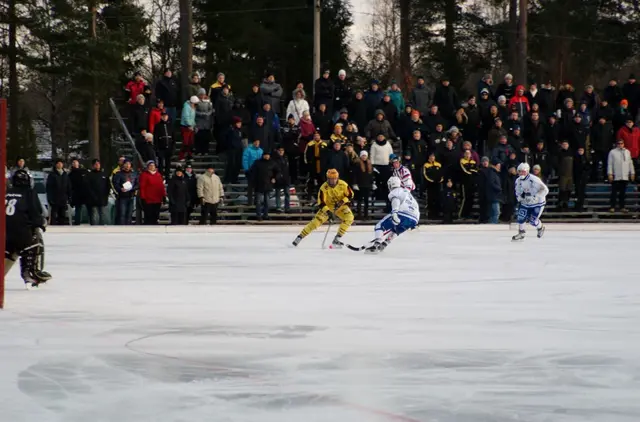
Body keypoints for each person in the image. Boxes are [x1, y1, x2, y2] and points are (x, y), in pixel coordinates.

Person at [4, 170, 51, 289]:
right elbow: (35, 213)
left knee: (10, 250)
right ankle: (31, 272)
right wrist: (40, 224)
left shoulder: (6, 192)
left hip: (4, 233)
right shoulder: (29, 193)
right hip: (21, 233)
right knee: (35, 241)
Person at [292, 169, 354, 248]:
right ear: (327, 179)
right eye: (330, 179)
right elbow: (321, 203)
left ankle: (337, 238)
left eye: (334, 179)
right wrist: (328, 212)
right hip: (327, 207)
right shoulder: (323, 188)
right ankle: (300, 236)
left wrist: (342, 201)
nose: (332, 181)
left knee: (349, 218)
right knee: (315, 222)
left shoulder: (343, 184)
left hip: (341, 206)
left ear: (337, 178)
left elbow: (350, 195)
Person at [365, 176, 420, 254]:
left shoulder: (395, 191)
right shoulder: (407, 192)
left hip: (402, 213)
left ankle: (376, 245)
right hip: (414, 218)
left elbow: (396, 200)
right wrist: (414, 223)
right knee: (396, 230)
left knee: (379, 226)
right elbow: (415, 206)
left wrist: (394, 213)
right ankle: (384, 244)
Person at [512, 163, 549, 241]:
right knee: (521, 217)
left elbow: (545, 189)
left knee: (533, 221)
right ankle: (521, 233)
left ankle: (540, 228)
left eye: (523, 171)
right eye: (519, 171)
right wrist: (519, 198)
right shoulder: (518, 180)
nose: (521, 173)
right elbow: (517, 191)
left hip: (538, 203)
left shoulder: (534, 179)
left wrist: (536, 197)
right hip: (526, 201)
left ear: (527, 171)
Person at [608, 139, 635, 212]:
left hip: (625, 175)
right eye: (619, 143)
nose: (620, 145)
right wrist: (610, 173)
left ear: (623, 144)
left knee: (623, 193)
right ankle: (612, 206)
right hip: (616, 175)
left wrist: (632, 172)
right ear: (617, 144)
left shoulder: (627, 152)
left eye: (621, 143)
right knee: (614, 192)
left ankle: (622, 207)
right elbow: (610, 163)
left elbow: (630, 163)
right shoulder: (612, 152)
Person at [252, 151, 278, 221]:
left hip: (268, 185)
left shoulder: (272, 163)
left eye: (268, 155)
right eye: (265, 155)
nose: (267, 156)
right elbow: (253, 173)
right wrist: (253, 183)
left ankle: (265, 215)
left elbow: (278, 171)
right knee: (258, 202)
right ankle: (259, 215)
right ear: (263, 155)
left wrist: (274, 178)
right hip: (259, 184)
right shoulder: (257, 162)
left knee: (267, 201)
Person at [138, 161, 166, 225]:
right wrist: (143, 197)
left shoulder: (158, 175)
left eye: (153, 165)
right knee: (148, 215)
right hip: (148, 199)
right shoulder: (144, 175)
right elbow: (142, 187)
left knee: (156, 215)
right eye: (150, 165)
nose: (152, 167)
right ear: (148, 167)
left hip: (157, 199)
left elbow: (161, 186)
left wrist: (163, 196)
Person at [84, 159, 110, 225]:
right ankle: (93, 229)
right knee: (94, 216)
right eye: (95, 164)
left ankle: (102, 228)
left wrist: (106, 195)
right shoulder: (89, 175)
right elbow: (87, 187)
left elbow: (108, 186)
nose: (97, 165)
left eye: (98, 164)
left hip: (102, 198)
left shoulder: (104, 174)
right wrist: (92, 195)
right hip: (92, 199)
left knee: (102, 215)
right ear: (93, 166)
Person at [46, 159, 71, 225]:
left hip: (63, 198)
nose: (60, 165)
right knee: (54, 214)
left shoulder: (65, 174)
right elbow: (49, 187)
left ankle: (62, 229)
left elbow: (68, 186)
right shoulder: (52, 175)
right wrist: (50, 198)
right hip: (55, 198)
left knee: (62, 215)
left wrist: (69, 196)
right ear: (56, 165)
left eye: (61, 163)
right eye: (58, 163)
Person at [354, 150, 373, 219]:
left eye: (365, 155)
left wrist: (372, 182)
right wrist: (355, 183)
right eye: (363, 155)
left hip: (367, 185)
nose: (364, 157)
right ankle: (359, 214)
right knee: (359, 200)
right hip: (360, 185)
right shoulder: (357, 164)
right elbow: (355, 175)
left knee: (366, 201)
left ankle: (366, 214)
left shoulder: (369, 164)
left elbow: (371, 175)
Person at [273, 146, 291, 213]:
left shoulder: (286, 158)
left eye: (282, 150)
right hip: (278, 178)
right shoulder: (274, 159)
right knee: (278, 194)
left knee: (287, 194)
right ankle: (278, 207)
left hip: (286, 178)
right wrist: (274, 177)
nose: (281, 151)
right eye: (280, 150)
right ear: (277, 151)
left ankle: (287, 208)